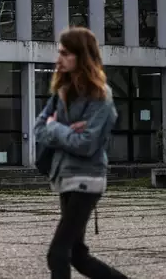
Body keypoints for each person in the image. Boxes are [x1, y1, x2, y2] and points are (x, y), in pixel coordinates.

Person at [34, 26, 128, 279]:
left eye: (65, 53)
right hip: (65, 177)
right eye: (59, 52)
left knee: (57, 253)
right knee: (77, 255)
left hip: (87, 179)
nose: (59, 59)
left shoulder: (101, 96)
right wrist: (63, 130)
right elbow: (38, 129)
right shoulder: (62, 92)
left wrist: (56, 128)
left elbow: (86, 144)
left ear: (81, 56)